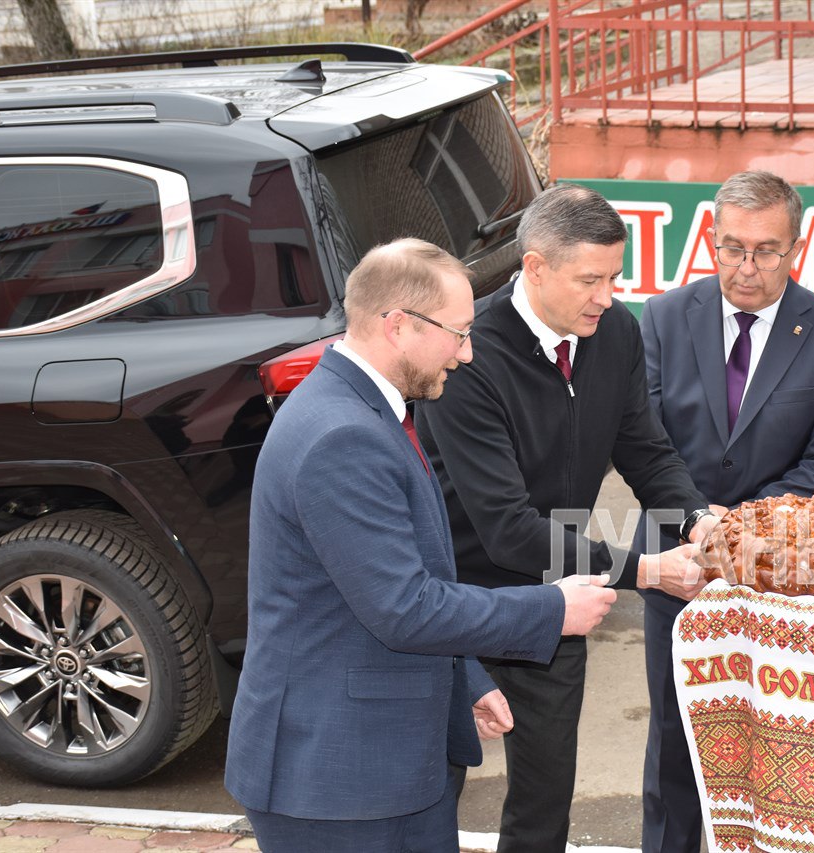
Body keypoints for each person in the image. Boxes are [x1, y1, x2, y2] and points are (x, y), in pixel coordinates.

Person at [224, 238, 617, 853]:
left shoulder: (367, 411)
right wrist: (553, 609)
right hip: (336, 781)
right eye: (458, 334)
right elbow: (403, 607)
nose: (466, 353)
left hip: (385, 765)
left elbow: (391, 582)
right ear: (399, 326)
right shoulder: (343, 437)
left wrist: (467, 680)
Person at [416, 184, 718, 853]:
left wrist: (698, 520)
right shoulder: (470, 356)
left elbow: (645, 448)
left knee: (545, 802)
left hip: (556, 603)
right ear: (535, 267)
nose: (606, 296)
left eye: (614, 277)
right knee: (429, 798)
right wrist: (646, 571)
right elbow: (507, 527)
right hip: (456, 607)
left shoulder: (614, 332)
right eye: (590, 279)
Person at [631, 169, 814, 853]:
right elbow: (644, 438)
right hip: (678, 560)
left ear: (798, 245)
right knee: (676, 739)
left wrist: (737, 533)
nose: (747, 267)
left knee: (772, 742)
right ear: (710, 237)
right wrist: (694, 523)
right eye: (732, 248)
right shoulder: (664, 316)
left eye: (766, 250)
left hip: (779, 575)